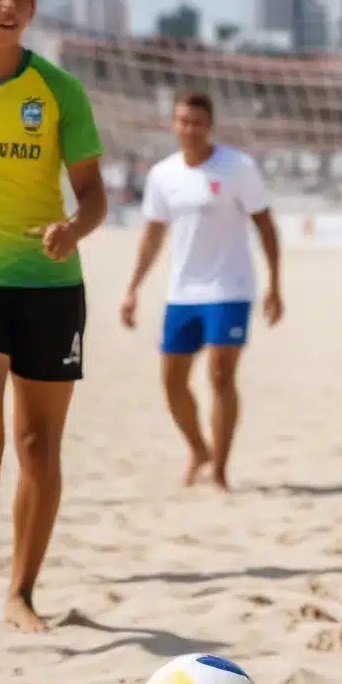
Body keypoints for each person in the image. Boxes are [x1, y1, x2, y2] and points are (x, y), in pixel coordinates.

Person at [0, 0, 108, 632]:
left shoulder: (59, 91)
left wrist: (74, 227)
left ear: (34, 7)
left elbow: (95, 196)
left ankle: (21, 592)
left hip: (49, 285)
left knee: (39, 448)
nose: (7, 5)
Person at [120, 92, 282, 490]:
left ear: (209, 126)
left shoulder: (237, 167)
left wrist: (275, 284)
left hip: (230, 288)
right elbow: (153, 235)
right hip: (182, 292)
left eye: (197, 122)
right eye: (182, 121)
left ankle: (221, 470)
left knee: (221, 376)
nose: (189, 129)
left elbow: (265, 225)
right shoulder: (162, 174)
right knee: (172, 382)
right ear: (173, 125)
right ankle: (198, 448)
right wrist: (133, 287)